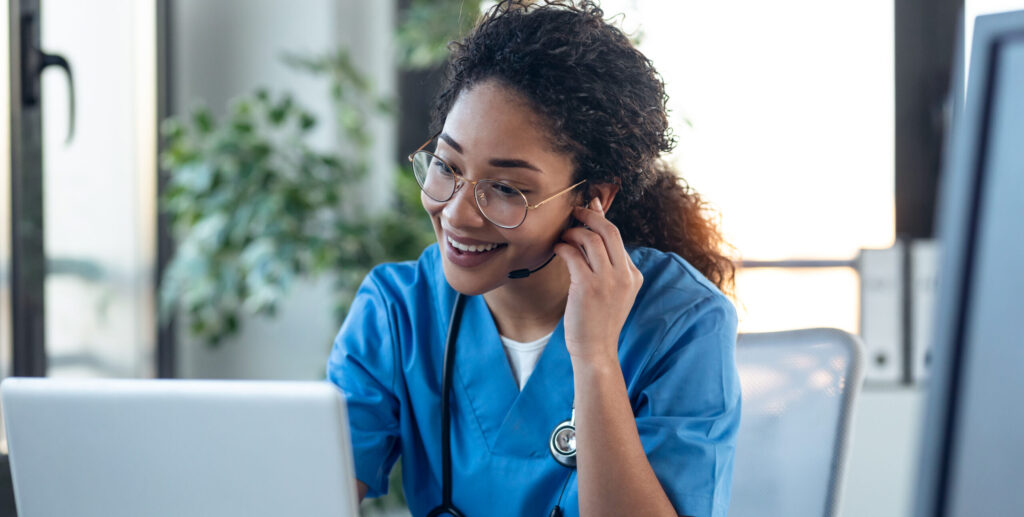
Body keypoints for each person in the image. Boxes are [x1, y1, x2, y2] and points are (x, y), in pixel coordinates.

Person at [326, 1, 741, 516]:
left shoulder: (679, 322)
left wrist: (594, 359)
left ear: (594, 200)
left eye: (505, 188)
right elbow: (303, 493)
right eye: (447, 166)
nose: (456, 213)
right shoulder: (398, 311)